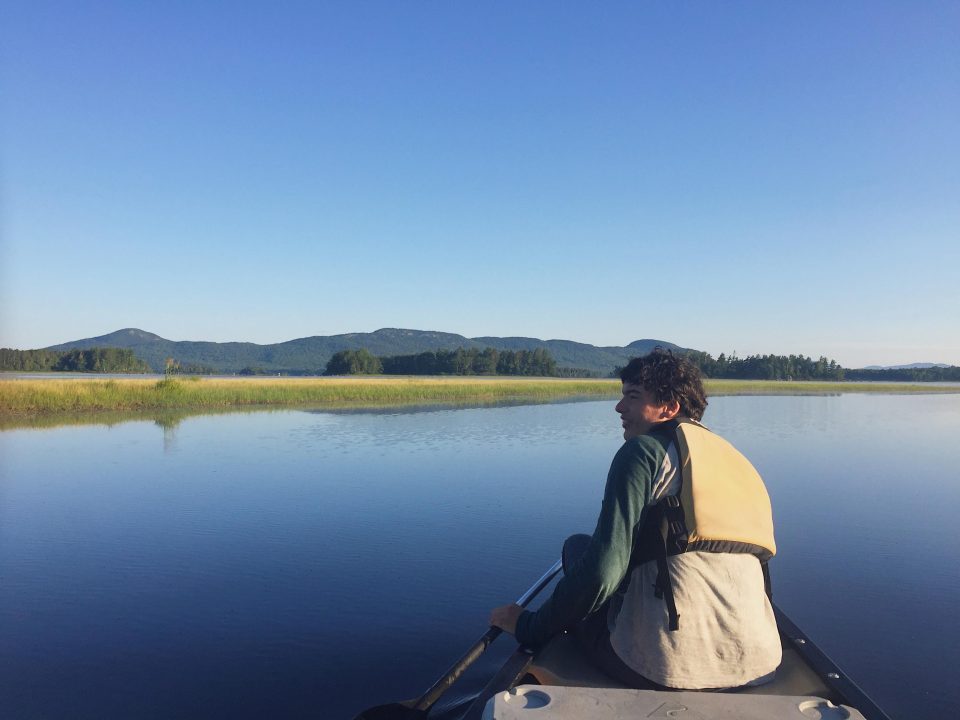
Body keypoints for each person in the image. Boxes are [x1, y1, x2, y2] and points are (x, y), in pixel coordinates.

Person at [489, 348, 781, 690]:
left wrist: (527, 625)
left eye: (633, 396)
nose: (619, 407)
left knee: (577, 549)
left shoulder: (643, 452)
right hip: (762, 662)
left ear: (670, 408)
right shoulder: (737, 463)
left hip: (667, 669)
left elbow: (601, 575)